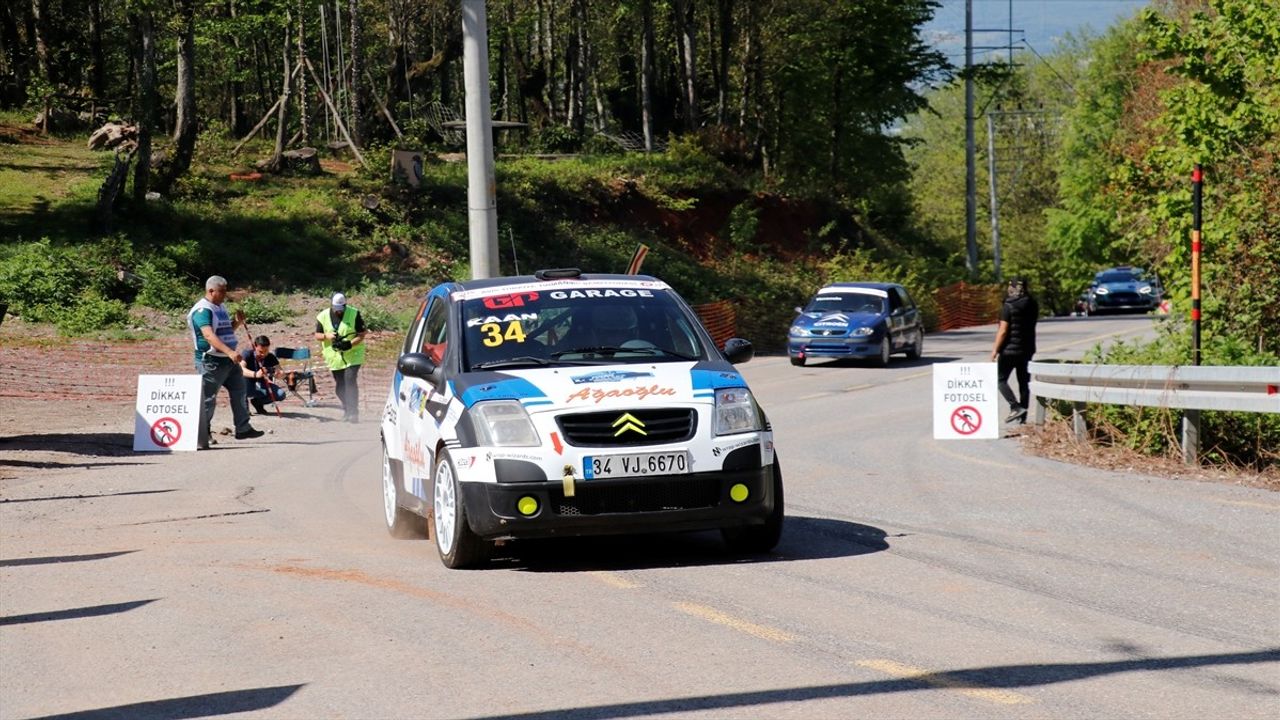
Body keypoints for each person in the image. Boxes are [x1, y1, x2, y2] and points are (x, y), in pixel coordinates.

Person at [187, 276, 264, 449]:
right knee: (208, 399)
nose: (225, 294)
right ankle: (203, 433)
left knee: (240, 390)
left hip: (228, 361)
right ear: (211, 291)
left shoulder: (220, 307)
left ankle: (243, 428)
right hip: (211, 361)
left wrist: (236, 322)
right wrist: (229, 352)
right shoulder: (202, 310)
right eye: (221, 291)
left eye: (225, 290)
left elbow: (224, 330)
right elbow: (209, 335)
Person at [990, 277, 1039, 424]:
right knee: (1024, 383)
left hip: (1009, 350)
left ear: (1011, 288)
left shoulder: (1008, 305)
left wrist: (995, 350)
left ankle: (1015, 406)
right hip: (1027, 349)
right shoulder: (1032, 304)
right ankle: (1023, 419)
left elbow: (1003, 330)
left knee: (999, 379)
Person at [315, 292, 367, 422]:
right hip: (335, 357)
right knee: (340, 387)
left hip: (353, 354)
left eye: (341, 309)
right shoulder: (322, 316)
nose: (338, 311)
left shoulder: (354, 313)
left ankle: (353, 413)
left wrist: (349, 344)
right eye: (336, 309)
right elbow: (317, 335)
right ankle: (347, 409)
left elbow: (362, 334)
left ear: (345, 305)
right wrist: (327, 336)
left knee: (350, 380)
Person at [240, 335, 285, 414]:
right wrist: (255, 374)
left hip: (262, 384)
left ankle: (257, 402)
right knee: (242, 381)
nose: (263, 354)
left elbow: (281, 371)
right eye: (260, 352)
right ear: (255, 347)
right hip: (247, 384)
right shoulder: (247, 354)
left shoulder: (271, 357)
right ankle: (244, 406)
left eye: (266, 351)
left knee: (281, 394)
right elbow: (241, 370)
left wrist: (280, 374)